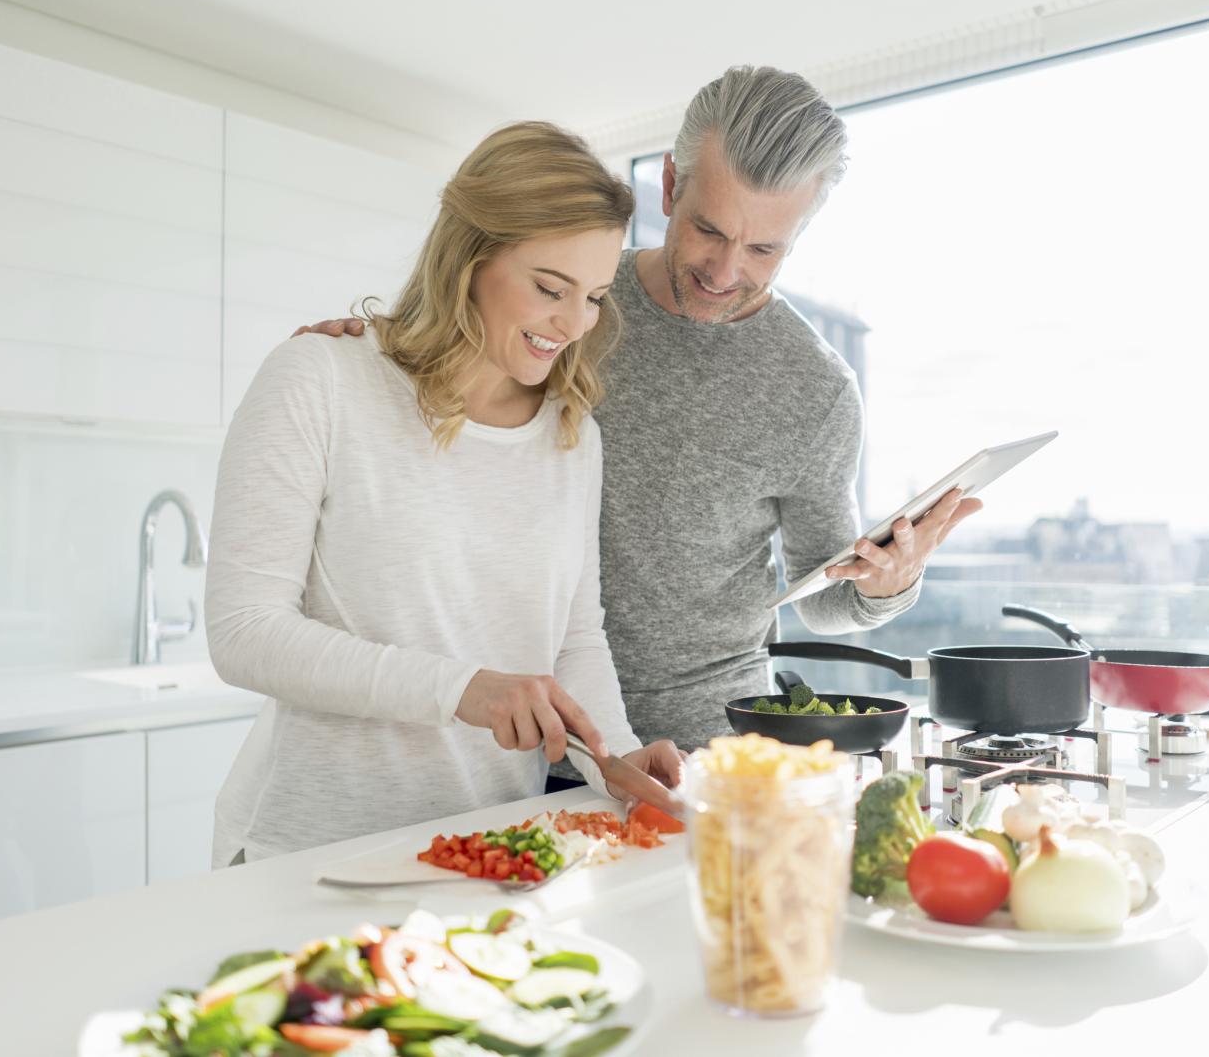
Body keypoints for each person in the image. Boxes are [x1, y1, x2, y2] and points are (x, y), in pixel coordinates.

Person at [300, 67, 983, 754]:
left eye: (763, 249)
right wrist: (373, 357)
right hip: (506, 728)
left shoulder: (816, 387)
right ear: (669, 185)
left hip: (695, 749)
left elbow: (821, 595)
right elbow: (456, 359)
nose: (723, 272)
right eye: (708, 230)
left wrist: (888, 584)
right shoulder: (578, 296)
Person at [206, 121, 682, 866]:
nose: (573, 323)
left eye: (593, 295)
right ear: (469, 255)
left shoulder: (571, 434)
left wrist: (615, 761)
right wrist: (464, 689)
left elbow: (573, 637)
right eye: (549, 288)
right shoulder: (322, 380)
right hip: (309, 851)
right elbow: (243, 632)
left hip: (489, 851)